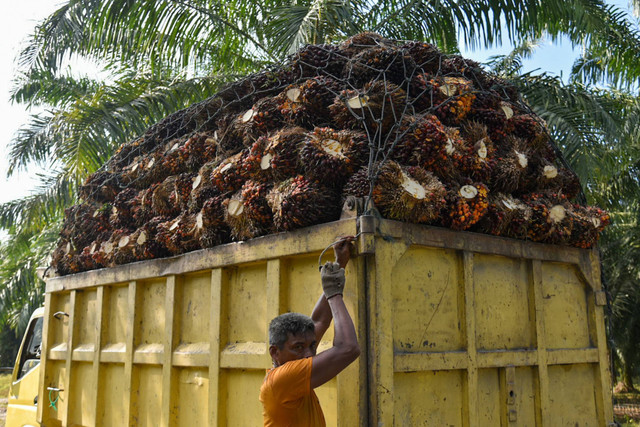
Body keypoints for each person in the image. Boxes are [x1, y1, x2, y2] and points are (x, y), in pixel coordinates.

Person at [260, 236, 360, 427]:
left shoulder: (292, 374)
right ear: (275, 352)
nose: (308, 355)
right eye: (298, 347)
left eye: (312, 346)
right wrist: (334, 293)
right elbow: (348, 348)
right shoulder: (284, 379)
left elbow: (319, 320)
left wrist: (339, 265)